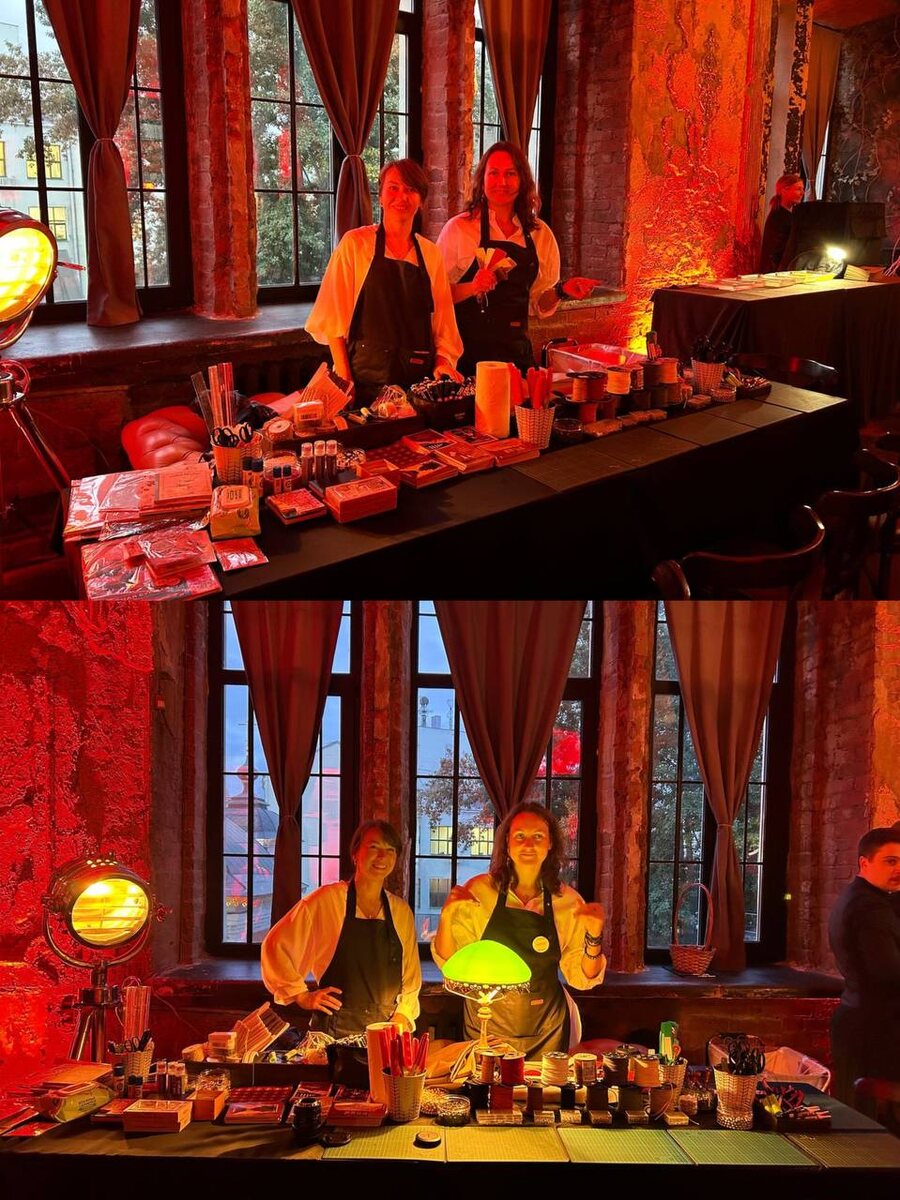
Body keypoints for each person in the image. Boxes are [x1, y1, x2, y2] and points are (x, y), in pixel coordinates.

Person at [431, 801, 606, 1058]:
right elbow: (449, 962)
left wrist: (594, 936)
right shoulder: (479, 892)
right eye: (520, 836)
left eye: (538, 836)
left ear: (550, 844)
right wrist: (446, 916)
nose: (528, 844)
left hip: (547, 1030)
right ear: (507, 843)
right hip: (487, 1027)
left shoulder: (568, 902)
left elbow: (583, 978)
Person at [306, 158, 463, 404]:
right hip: (361, 387)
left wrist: (443, 363)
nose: (402, 196)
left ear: (421, 201)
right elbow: (333, 319)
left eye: (411, 189)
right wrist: (345, 380)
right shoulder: (355, 244)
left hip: (417, 391)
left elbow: (444, 326)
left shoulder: (430, 255)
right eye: (393, 188)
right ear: (380, 197)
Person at [438, 141, 599, 376]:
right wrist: (472, 287)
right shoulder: (459, 228)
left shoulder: (539, 233)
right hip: (468, 359)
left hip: (517, 358)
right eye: (494, 173)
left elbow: (537, 304)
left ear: (522, 180)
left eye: (510, 174)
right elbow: (437, 297)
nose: (502, 182)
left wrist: (562, 290)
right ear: (481, 180)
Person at [261, 820, 421, 1036]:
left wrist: (403, 1014)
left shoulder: (401, 911)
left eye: (390, 850)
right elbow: (275, 946)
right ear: (355, 854)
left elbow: (411, 977)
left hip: (384, 1033)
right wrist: (301, 995)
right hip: (333, 1032)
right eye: (374, 847)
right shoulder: (327, 900)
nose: (382, 856)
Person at [827, 823, 900, 1106]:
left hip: (861, 1020)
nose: (898, 869)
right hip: (874, 1029)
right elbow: (888, 972)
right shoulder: (869, 907)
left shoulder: (866, 898)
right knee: (869, 1122)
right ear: (864, 863)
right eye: (890, 861)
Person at [759, 172, 805, 273]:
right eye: (798, 189)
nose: (802, 193)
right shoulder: (779, 216)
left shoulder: (787, 215)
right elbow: (776, 249)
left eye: (802, 189)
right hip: (776, 271)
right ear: (784, 190)